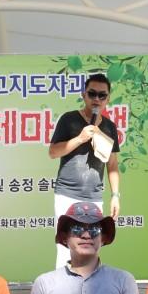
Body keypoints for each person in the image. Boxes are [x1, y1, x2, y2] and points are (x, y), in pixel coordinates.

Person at [48, 73, 121, 225]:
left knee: (91, 240)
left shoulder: (110, 127)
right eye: (92, 94)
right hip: (66, 195)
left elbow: (112, 164)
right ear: (83, 95)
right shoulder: (69, 119)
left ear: (108, 99)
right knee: (67, 241)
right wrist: (80, 139)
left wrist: (115, 196)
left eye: (102, 95)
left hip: (95, 197)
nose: (96, 99)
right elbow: (53, 152)